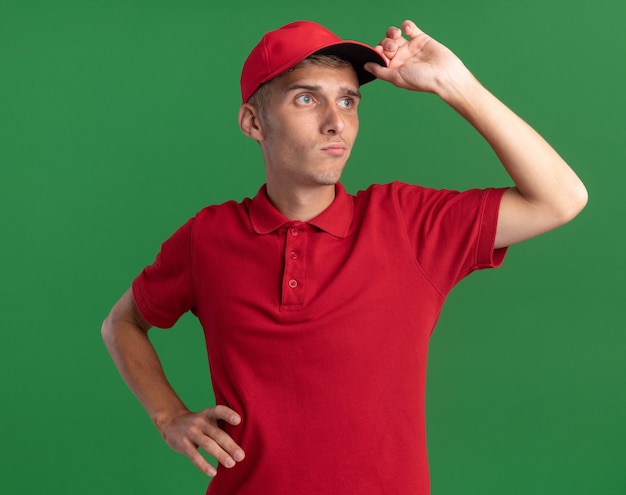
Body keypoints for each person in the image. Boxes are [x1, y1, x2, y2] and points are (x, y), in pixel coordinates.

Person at [102, 19, 587, 494]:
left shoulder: (407, 224)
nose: (336, 122)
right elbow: (121, 324)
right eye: (306, 98)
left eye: (348, 100)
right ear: (253, 122)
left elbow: (561, 198)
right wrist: (168, 416)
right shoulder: (207, 239)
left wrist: (455, 85)